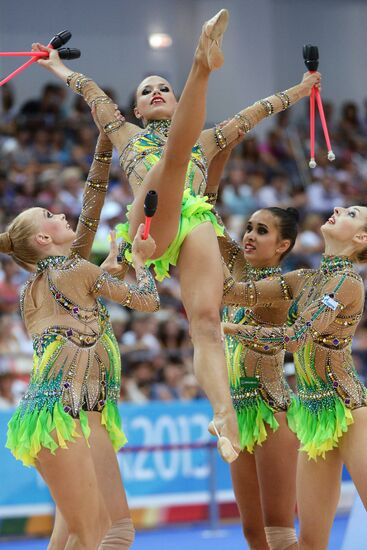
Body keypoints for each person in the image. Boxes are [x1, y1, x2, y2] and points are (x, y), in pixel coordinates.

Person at [32, 9, 321, 460]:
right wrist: (57, 66)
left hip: (193, 219)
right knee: (173, 161)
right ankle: (201, 64)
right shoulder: (125, 133)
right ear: (137, 109)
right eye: (147, 91)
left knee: (205, 324)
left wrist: (302, 90)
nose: (156, 93)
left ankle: (223, 415)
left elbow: (253, 115)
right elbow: (93, 95)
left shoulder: (205, 140)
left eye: (164, 88)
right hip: (148, 221)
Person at [3, 108, 159, 550]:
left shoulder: (41, 282)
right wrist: (142, 264)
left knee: (75, 533)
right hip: (64, 414)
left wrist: (105, 142)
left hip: (66, 413)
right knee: (93, 533)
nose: (62, 214)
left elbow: (89, 215)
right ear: (42, 240)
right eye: (50, 214)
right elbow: (148, 301)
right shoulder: (73, 271)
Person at [222, 205, 367, 549]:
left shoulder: (347, 283)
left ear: (361, 238)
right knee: (308, 543)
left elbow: (295, 336)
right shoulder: (304, 279)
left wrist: (228, 328)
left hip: (351, 412)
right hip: (315, 418)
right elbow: (237, 293)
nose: (336, 209)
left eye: (350, 213)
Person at [207, 145, 299, 549]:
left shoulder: (282, 285)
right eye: (248, 227)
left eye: (262, 231)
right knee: (251, 531)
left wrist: (217, 321)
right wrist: (218, 153)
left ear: (283, 245)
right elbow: (204, 216)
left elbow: (236, 294)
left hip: (272, 410)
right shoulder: (239, 268)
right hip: (238, 411)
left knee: (278, 529)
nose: (248, 235)